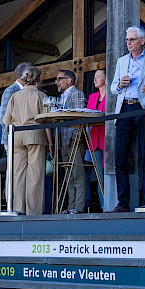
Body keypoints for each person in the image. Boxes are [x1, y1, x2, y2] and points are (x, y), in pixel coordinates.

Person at [108, 26, 145, 212]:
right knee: (120, 158)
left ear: (142, 41)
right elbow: (113, 88)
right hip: (124, 108)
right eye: (127, 40)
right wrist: (120, 85)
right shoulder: (122, 61)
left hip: (142, 107)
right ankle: (123, 203)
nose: (128, 43)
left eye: (132, 39)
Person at [2, 66, 52, 215]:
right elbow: (46, 121)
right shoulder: (41, 96)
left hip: (17, 136)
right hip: (35, 135)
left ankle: (18, 209)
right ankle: (33, 211)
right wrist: (50, 143)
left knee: (18, 174)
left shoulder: (14, 96)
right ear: (37, 80)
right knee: (35, 175)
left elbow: (5, 120)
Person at [55, 69, 87, 214]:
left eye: (60, 79)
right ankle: (70, 206)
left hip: (74, 140)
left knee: (78, 174)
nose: (57, 82)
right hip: (63, 140)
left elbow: (79, 117)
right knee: (69, 176)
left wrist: (76, 139)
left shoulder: (77, 94)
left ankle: (79, 207)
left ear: (69, 80)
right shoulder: (61, 97)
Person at [85, 70, 106, 209]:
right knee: (99, 177)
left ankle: (109, 205)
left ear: (106, 78)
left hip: (107, 138)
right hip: (94, 139)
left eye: (98, 76)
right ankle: (104, 206)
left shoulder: (112, 95)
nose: (95, 79)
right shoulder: (92, 97)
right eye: (94, 77)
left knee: (108, 176)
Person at [0, 62, 32, 149]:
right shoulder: (10, 91)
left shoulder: (31, 90)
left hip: (27, 138)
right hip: (12, 139)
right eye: (31, 73)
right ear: (24, 75)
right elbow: (3, 118)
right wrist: (13, 136)